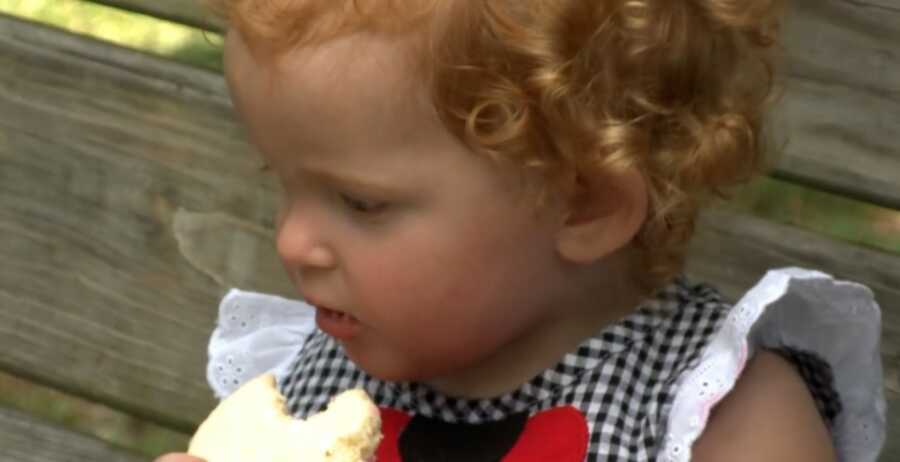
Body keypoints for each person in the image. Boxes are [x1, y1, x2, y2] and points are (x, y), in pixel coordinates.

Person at [157, 0, 885, 461]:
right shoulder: (311, 386)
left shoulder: (723, 423)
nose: (291, 242)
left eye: (361, 203)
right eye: (284, 184)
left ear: (583, 207)